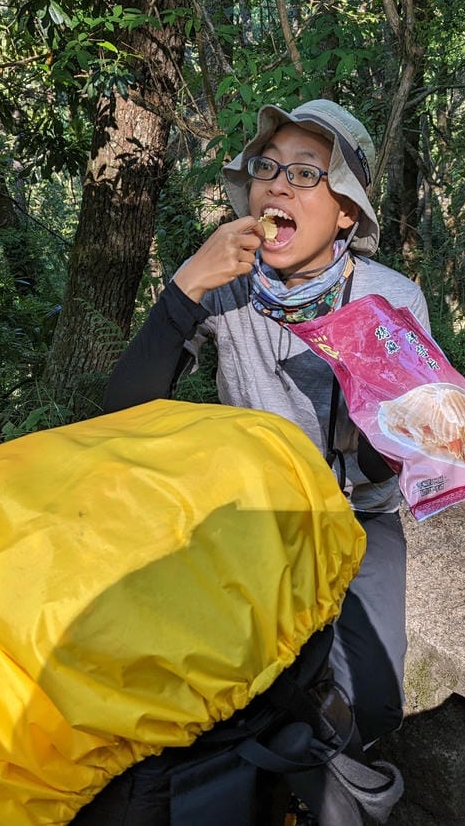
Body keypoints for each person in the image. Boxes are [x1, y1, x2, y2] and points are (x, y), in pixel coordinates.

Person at [103, 98, 432, 753]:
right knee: (223, 683)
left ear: (345, 210)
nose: (277, 184)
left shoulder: (389, 299)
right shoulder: (226, 285)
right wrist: (188, 281)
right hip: (254, 513)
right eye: (267, 167)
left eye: (307, 173)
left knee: (373, 707)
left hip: (358, 517)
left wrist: (406, 421)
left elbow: (377, 468)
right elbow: (123, 412)